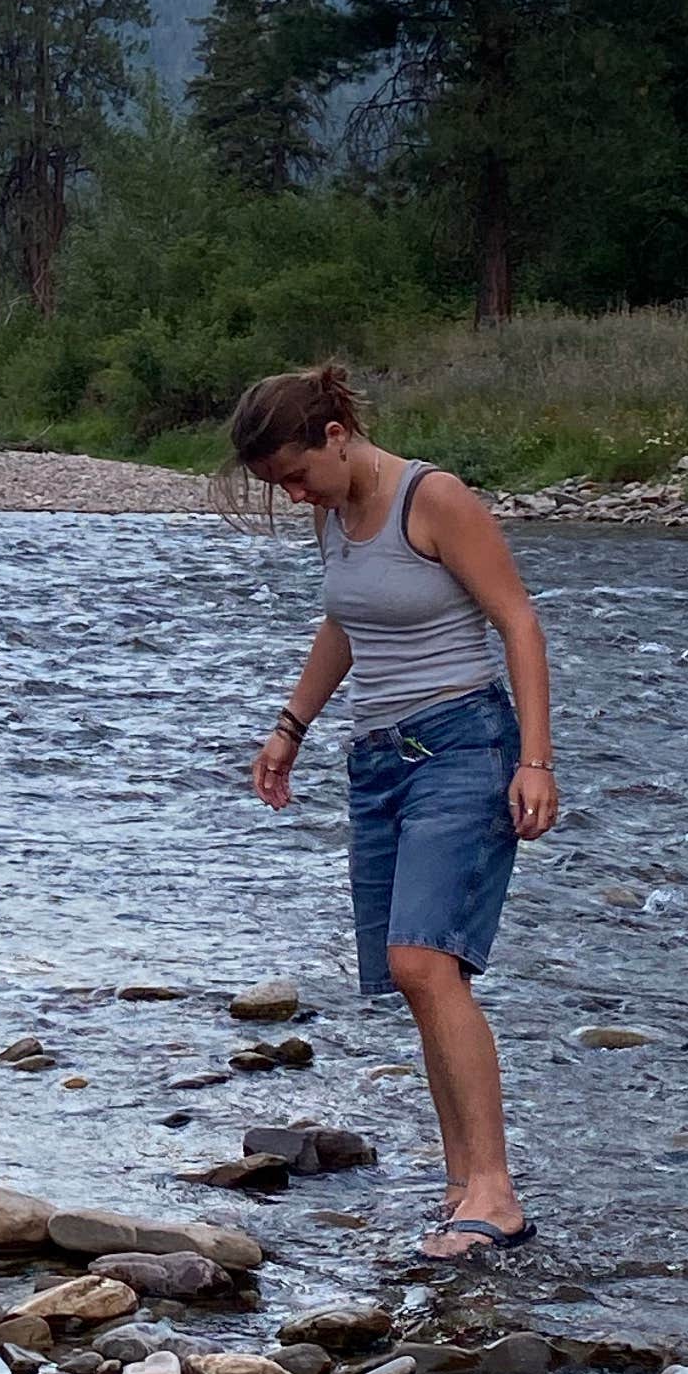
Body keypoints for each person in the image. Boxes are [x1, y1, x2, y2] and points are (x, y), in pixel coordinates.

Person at [219, 359, 559, 1264]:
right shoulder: (336, 513)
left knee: (424, 959)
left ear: (337, 436)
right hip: (378, 760)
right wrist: (291, 727)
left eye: (296, 475)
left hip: (464, 744)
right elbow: (348, 621)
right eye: (277, 485)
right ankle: (463, 1184)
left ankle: (497, 1189)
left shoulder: (434, 499)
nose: (293, 496)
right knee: (419, 977)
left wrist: (535, 761)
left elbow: (519, 622)